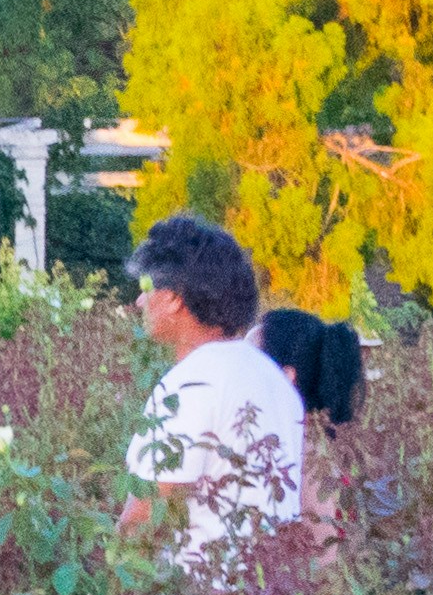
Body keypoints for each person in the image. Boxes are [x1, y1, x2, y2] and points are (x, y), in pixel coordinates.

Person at [115, 216, 306, 568]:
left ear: (173, 298)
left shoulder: (190, 384)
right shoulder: (273, 379)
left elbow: (145, 518)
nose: (140, 302)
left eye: (147, 288)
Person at [254, 302, 365, 534]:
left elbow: (326, 556)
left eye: (250, 361)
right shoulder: (312, 442)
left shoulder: (310, 457)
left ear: (286, 377)